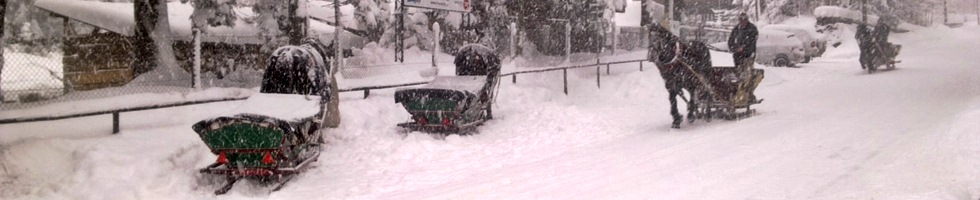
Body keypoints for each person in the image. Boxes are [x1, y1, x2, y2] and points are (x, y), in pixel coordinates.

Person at [728, 13, 760, 104]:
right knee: (738, 76)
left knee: (747, 76)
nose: (742, 23)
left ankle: (748, 94)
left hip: (748, 56)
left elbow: (752, 42)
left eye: (743, 21)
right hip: (737, 57)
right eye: (740, 21)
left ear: (746, 20)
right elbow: (730, 41)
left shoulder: (752, 29)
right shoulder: (736, 29)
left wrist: (744, 48)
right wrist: (734, 48)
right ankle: (737, 93)